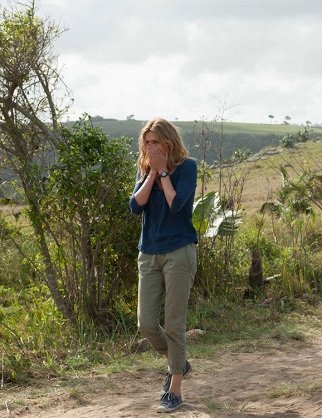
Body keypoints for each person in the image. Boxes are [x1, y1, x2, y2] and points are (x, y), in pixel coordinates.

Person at [129, 118, 198, 413]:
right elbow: (135, 205)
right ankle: (179, 362)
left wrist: (165, 173)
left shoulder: (187, 167)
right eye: (147, 142)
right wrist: (152, 175)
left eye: (155, 142)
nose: (150, 147)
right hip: (149, 253)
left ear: (168, 142)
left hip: (179, 252)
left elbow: (176, 205)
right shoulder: (144, 169)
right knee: (145, 323)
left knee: (174, 324)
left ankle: (175, 389)